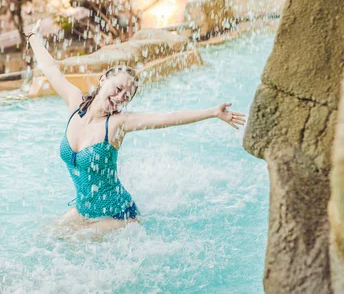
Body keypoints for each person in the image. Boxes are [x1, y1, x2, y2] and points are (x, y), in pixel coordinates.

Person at [25, 22, 246, 237]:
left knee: (76, 240)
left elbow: (168, 118)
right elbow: (51, 70)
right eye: (118, 88)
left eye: (126, 97)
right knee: (48, 237)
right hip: (84, 210)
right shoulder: (75, 104)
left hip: (118, 215)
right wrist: (32, 37)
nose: (120, 97)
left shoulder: (118, 124)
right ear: (103, 79)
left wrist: (212, 112)